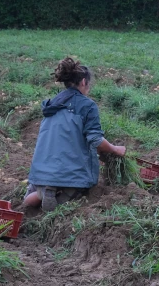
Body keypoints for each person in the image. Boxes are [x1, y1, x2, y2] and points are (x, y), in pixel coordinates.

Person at [23, 57, 126, 211]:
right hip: (70, 173)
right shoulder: (87, 105)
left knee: (30, 197)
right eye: (89, 84)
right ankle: (58, 194)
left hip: (41, 170)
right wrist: (115, 149)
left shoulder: (52, 104)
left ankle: (40, 193)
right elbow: (95, 140)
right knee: (76, 195)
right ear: (84, 82)